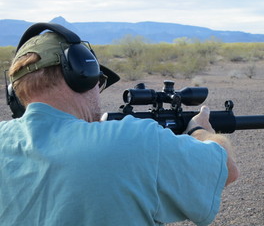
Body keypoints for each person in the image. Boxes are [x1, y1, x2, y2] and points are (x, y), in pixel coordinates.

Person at [0, 23, 239, 226]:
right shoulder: (133, 140)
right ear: (81, 74)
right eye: (99, 81)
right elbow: (225, 168)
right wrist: (199, 130)